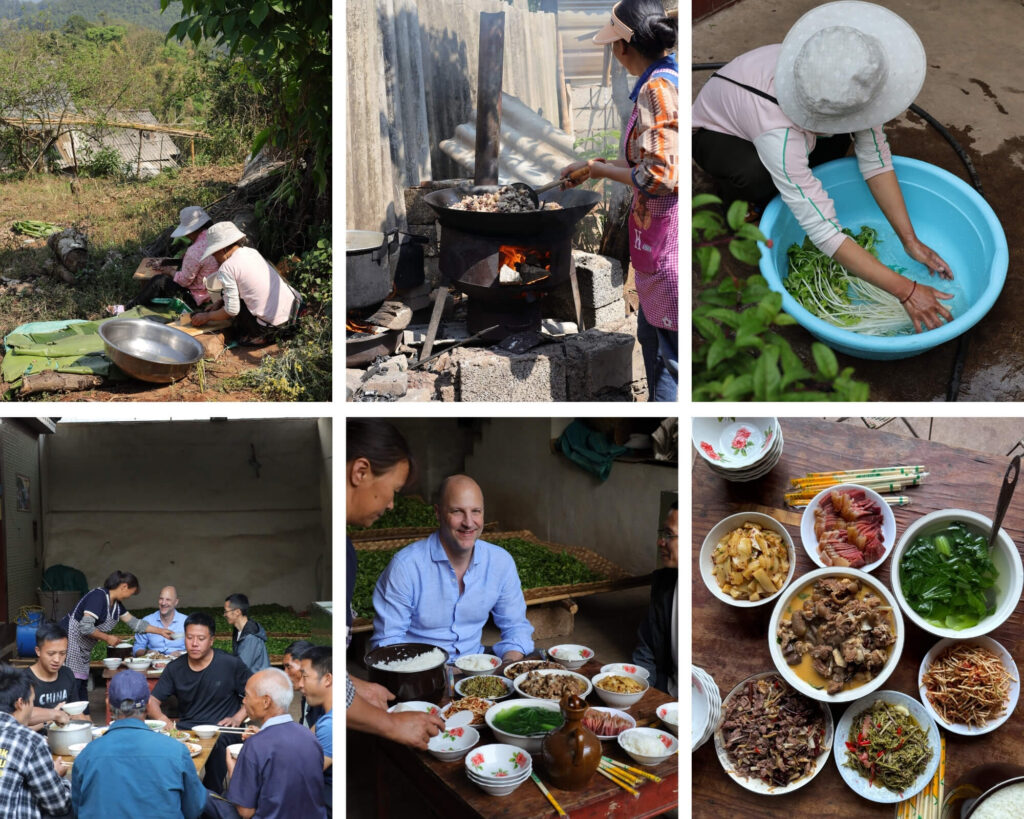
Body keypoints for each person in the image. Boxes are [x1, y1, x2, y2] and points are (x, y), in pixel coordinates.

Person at [692, 1, 953, 332]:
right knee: (756, 177)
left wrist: (910, 240)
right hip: (714, 133)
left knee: (831, 150)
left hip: (776, 121)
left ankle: (794, 177)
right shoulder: (779, 136)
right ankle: (742, 205)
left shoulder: (851, 84)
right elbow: (823, 231)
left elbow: (875, 159)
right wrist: (907, 290)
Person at [562, 0, 678, 400]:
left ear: (624, 46)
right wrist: (591, 163)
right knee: (652, 339)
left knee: (669, 361)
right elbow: (643, 160)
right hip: (655, 247)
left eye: (613, 45)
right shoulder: (663, 77)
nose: (612, 54)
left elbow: (659, 176)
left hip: (668, 247)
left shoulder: (656, 90)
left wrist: (600, 172)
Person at [345, 419, 445, 750]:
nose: (391, 505)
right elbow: (318, 673)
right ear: (360, 472)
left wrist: (355, 684)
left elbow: (324, 671)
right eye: (394, 491)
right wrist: (389, 724)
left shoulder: (343, 546)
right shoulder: (342, 550)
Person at [370, 474, 535, 662]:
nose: (468, 522)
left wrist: (508, 665)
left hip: (475, 667)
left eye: (476, 511)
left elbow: (516, 627)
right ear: (438, 513)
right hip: (418, 674)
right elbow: (387, 644)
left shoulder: (500, 562)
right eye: (457, 511)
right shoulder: (406, 567)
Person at [71, 670, 206, 819]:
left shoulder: (86, 755)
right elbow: (195, 808)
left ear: (108, 704)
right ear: (149, 704)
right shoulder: (176, 751)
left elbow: (78, 808)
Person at [205, 668, 327, 819]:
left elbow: (245, 811)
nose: (243, 701)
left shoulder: (256, 745)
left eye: (247, 696)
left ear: (266, 701)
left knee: (203, 795)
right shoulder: (309, 737)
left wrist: (235, 774)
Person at [148, 612, 250, 790]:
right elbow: (152, 700)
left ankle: (211, 795)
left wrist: (238, 717)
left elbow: (257, 693)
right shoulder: (175, 668)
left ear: (211, 640)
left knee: (219, 746)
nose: (194, 644)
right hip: (189, 727)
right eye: (189, 637)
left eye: (201, 638)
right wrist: (163, 720)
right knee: (157, 743)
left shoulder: (230, 663)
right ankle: (172, 791)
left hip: (222, 728)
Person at [59, 570, 176, 709]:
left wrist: (160, 631)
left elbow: (135, 624)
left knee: (80, 685)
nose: (129, 596)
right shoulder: (98, 597)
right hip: (68, 642)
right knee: (72, 687)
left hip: (83, 648)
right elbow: (85, 627)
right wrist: (107, 638)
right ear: (124, 587)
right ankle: (71, 718)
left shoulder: (116, 605)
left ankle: (83, 718)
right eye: (131, 593)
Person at [190, 221, 301, 346]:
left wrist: (208, 316)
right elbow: (250, 286)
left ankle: (259, 336)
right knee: (231, 297)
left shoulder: (227, 267)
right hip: (296, 311)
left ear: (222, 249)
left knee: (238, 316)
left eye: (214, 253)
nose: (214, 257)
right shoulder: (250, 252)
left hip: (275, 326)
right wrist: (220, 303)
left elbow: (232, 310)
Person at [0, 664, 72, 818]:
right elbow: (58, 805)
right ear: (20, 703)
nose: (32, 708)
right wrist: (55, 776)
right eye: (32, 702)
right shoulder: (30, 741)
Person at [125, 206, 218, 310]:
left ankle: (129, 307)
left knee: (159, 281)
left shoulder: (194, 251)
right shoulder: (216, 237)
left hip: (198, 296)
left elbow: (184, 281)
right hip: (216, 291)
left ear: (191, 231)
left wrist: (169, 271)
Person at [632, 502, 678, 695]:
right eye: (663, 534)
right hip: (667, 688)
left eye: (669, 535)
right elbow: (647, 647)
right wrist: (641, 691)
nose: (661, 542)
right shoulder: (664, 583)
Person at [26, 623, 89, 733]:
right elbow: (18, 725)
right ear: (38, 651)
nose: (57, 659)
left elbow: (76, 713)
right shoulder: (23, 680)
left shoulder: (67, 674)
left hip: (65, 740)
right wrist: (51, 718)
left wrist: (90, 731)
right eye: (51, 653)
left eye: (62, 653)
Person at [297, 646, 332, 811]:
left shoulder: (330, 724)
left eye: (304, 676)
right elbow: (301, 740)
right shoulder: (326, 717)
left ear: (327, 679)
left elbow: (302, 774)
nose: (300, 685)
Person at [133, 585, 187, 656]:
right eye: (161, 599)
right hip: (153, 664)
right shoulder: (147, 621)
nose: (163, 603)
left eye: (168, 600)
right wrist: (147, 653)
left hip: (180, 664)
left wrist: (182, 654)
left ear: (176, 602)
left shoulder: (186, 622)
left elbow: (196, 647)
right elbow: (137, 647)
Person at [223, 594, 270, 674]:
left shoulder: (251, 637)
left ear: (237, 612)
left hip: (258, 683)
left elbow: (241, 667)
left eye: (226, 611)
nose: (224, 615)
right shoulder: (238, 631)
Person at [282, 640, 323, 728]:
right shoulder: (306, 696)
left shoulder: (323, 704)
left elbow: (312, 737)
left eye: (288, 667)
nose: (285, 673)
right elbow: (304, 726)